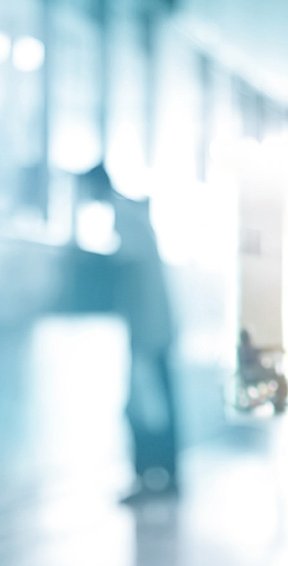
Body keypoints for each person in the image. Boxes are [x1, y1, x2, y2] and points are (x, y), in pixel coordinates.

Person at [80, 162, 181, 503]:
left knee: (146, 407)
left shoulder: (124, 216)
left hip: (148, 329)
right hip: (155, 326)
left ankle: (150, 478)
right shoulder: (132, 213)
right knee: (158, 403)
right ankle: (163, 477)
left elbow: (124, 263)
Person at [237, 328, 288, 413]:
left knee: (275, 373)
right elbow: (262, 350)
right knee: (279, 377)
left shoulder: (241, 349)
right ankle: (279, 402)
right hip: (256, 374)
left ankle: (278, 401)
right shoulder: (248, 348)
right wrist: (278, 348)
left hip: (250, 374)